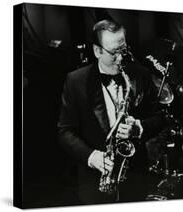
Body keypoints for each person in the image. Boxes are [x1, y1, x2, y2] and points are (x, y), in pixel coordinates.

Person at [58, 20, 164, 204]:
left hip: (136, 177)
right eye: (113, 53)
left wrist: (139, 128)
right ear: (97, 51)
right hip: (94, 181)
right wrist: (91, 156)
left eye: (123, 50)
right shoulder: (76, 81)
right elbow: (65, 131)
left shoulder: (141, 75)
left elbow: (160, 118)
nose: (121, 58)